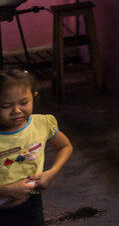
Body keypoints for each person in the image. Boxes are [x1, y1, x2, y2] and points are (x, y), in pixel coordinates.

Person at [0, 70, 73, 225]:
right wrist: (7, 190)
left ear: (34, 97)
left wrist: (52, 173)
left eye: (23, 103)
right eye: (6, 106)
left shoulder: (42, 124)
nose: (16, 111)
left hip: (31, 205)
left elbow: (65, 146)